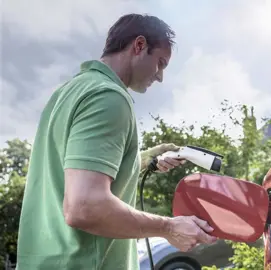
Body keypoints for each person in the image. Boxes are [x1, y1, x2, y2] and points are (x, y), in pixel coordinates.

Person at [16, 14, 217, 270]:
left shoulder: (69, 92)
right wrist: (168, 227)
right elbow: (85, 206)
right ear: (139, 45)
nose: (160, 77)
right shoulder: (108, 97)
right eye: (161, 63)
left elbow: (76, 167)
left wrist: (145, 159)